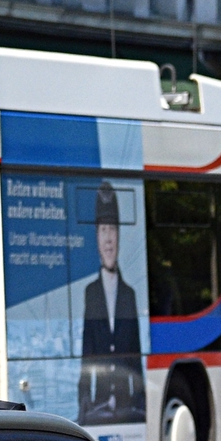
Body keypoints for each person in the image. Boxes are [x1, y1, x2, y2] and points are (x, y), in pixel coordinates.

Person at [77, 182, 144, 426]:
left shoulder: (130, 295)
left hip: (128, 406)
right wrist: (85, 400)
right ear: (97, 237)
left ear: (119, 235)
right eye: (103, 230)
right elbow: (87, 355)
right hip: (100, 405)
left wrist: (141, 401)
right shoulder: (90, 293)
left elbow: (135, 356)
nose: (108, 239)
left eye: (112, 230)